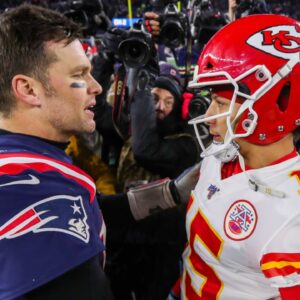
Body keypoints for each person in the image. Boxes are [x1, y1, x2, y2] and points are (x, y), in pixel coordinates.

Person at [0, 4, 199, 299]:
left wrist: (167, 194)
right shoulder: (27, 190)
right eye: (80, 74)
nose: (95, 86)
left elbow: (83, 210)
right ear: (29, 90)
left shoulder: (32, 163)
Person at [177, 13, 300, 299]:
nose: (208, 116)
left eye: (221, 102)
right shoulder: (220, 154)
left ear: (274, 104)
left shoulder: (291, 214)